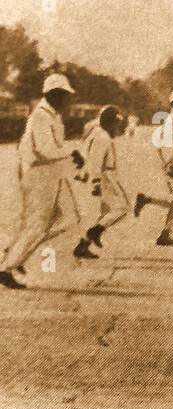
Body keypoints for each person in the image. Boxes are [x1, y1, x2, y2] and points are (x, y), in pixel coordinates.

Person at [0, 74, 85, 289]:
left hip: (52, 172)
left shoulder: (54, 115)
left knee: (70, 218)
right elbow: (45, 150)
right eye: (66, 96)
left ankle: (15, 251)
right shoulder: (40, 116)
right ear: (56, 95)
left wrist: (71, 160)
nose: (69, 100)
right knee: (37, 225)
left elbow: (56, 149)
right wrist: (72, 152)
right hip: (38, 173)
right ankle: (6, 267)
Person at [135, 89, 173, 246]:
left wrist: (164, 162)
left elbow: (157, 144)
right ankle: (147, 200)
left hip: (171, 163)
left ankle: (166, 233)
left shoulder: (169, 119)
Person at [73, 105, 131, 259]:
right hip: (105, 176)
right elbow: (95, 161)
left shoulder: (96, 131)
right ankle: (94, 232)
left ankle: (82, 246)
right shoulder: (102, 137)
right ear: (108, 122)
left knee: (105, 213)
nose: (117, 127)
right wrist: (96, 182)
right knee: (123, 208)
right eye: (115, 123)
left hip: (101, 174)